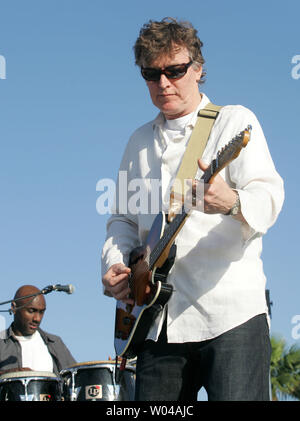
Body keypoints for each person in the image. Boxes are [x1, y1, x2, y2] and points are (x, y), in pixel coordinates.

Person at [101, 17, 284, 401]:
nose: (163, 83)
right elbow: (121, 219)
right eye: (151, 74)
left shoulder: (234, 121)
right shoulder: (137, 141)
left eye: (175, 70)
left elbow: (269, 197)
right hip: (156, 322)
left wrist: (231, 202)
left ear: (198, 70)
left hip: (231, 315)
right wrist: (115, 265)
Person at [0, 285, 76, 376]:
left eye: (41, 312)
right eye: (31, 311)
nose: (37, 319)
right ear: (14, 307)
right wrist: (7, 374)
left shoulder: (55, 343)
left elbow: (75, 377)